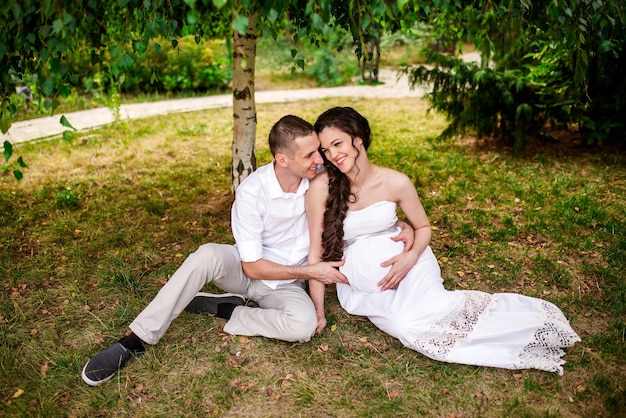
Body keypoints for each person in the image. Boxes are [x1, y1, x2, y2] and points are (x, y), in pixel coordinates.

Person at [82, 114, 414, 386]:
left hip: (287, 286)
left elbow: (370, 196)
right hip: (248, 271)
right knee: (208, 255)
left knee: (303, 327)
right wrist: (310, 272)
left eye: (320, 151)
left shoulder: (322, 178)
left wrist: (402, 226)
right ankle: (137, 339)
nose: (321, 159)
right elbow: (252, 267)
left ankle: (229, 311)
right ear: (282, 159)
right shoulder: (253, 192)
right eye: (311, 155)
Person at [306, 106, 581, 375]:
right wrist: (318, 310)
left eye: (337, 144)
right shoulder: (322, 187)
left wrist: (410, 257)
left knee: (438, 308)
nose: (333, 155)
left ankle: (533, 324)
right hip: (368, 287)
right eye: (326, 150)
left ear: (358, 138)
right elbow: (315, 253)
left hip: (411, 264)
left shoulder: (396, 182)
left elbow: (423, 226)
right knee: (405, 325)